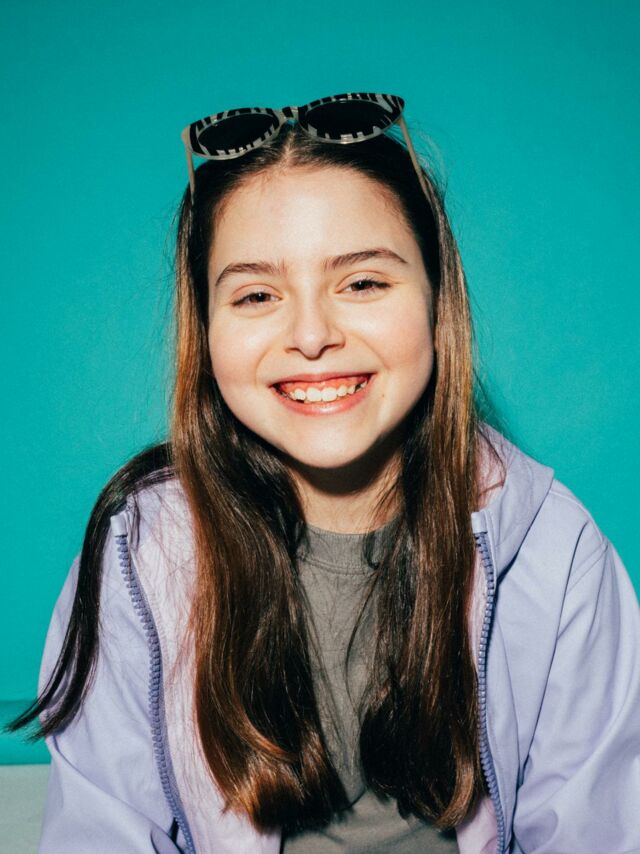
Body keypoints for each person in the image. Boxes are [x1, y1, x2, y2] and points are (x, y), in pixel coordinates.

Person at [8, 93, 640, 853]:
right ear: (205, 328)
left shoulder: (554, 549)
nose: (311, 336)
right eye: (256, 295)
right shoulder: (137, 556)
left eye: (363, 283)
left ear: (437, 299)